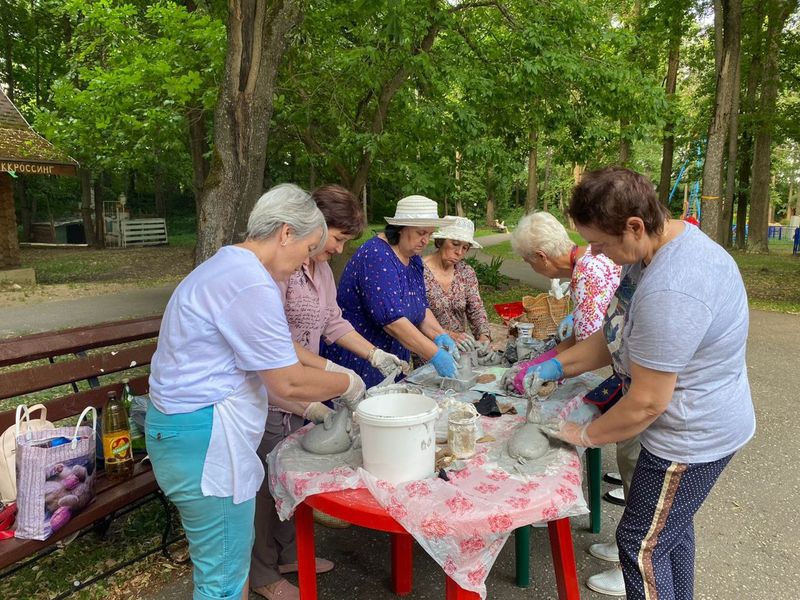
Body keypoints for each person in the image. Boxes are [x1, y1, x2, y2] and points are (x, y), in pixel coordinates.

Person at [530, 167, 755, 599]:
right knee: (670, 530)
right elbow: (614, 333)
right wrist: (558, 364)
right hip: (700, 422)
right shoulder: (650, 251)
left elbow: (648, 402)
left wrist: (585, 434)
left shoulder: (673, 290)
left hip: (690, 437)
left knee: (640, 544)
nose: (594, 252)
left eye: (600, 243)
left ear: (634, 225)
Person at [146, 184, 366, 600]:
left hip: (187, 433)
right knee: (222, 582)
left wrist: (314, 409)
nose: (307, 260)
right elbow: (287, 380)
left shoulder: (228, 268)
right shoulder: (250, 282)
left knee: (224, 569)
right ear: (285, 232)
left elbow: (257, 378)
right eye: (307, 249)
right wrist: (348, 384)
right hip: (205, 442)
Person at [250, 185, 408, 600]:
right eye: (336, 239)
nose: (337, 249)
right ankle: (262, 573)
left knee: (293, 475)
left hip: (306, 387)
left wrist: (374, 354)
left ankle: (289, 555)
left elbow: (332, 322)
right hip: (275, 389)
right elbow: (277, 343)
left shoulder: (318, 268)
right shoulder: (278, 268)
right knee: (267, 484)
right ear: (312, 228)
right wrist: (333, 371)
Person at [322, 195, 460, 387]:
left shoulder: (414, 259)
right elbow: (392, 321)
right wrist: (434, 354)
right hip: (360, 358)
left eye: (429, 234)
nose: (425, 240)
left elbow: (420, 308)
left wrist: (439, 335)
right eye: (421, 233)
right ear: (401, 228)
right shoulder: (376, 255)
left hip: (391, 360)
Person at [422, 217, 496, 363]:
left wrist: (483, 336)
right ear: (440, 241)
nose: (459, 252)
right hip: (428, 349)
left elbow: (476, 309)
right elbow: (413, 317)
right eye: (455, 244)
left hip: (461, 349)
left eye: (465, 248)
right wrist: (447, 335)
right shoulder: (418, 270)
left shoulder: (465, 272)